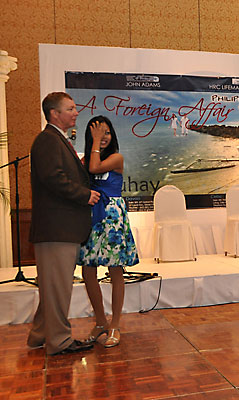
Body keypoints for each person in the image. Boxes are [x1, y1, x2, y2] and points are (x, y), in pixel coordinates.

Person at [27, 92, 100, 355]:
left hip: (60, 228)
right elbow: (53, 178)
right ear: (54, 113)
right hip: (57, 228)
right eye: (70, 108)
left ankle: (39, 335)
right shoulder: (48, 140)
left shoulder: (57, 139)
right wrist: (84, 194)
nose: (76, 112)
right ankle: (59, 341)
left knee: (53, 288)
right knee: (58, 288)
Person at [79, 115, 139, 348]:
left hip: (112, 216)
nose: (103, 137)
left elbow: (94, 168)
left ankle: (115, 324)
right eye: (97, 132)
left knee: (115, 270)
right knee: (87, 269)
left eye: (106, 132)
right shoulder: (84, 159)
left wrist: (94, 142)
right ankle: (100, 322)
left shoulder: (116, 157)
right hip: (92, 215)